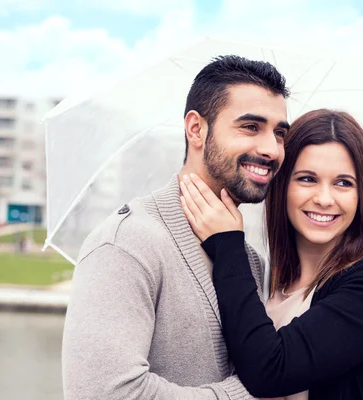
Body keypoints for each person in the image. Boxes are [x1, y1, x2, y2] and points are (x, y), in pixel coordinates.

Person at [62, 55, 291, 399]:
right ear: (196, 128)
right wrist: (253, 390)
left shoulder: (249, 260)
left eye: (279, 133)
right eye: (250, 127)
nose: (271, 149)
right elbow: (105, 394)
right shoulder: (127, 244)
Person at [180, 109, 363, 399]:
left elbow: (270, 370)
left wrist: (228, 244)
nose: (324, 199)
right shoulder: (269, 285)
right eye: (307, 179)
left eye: (343, 183)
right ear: (282, 185)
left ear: (362, 195)